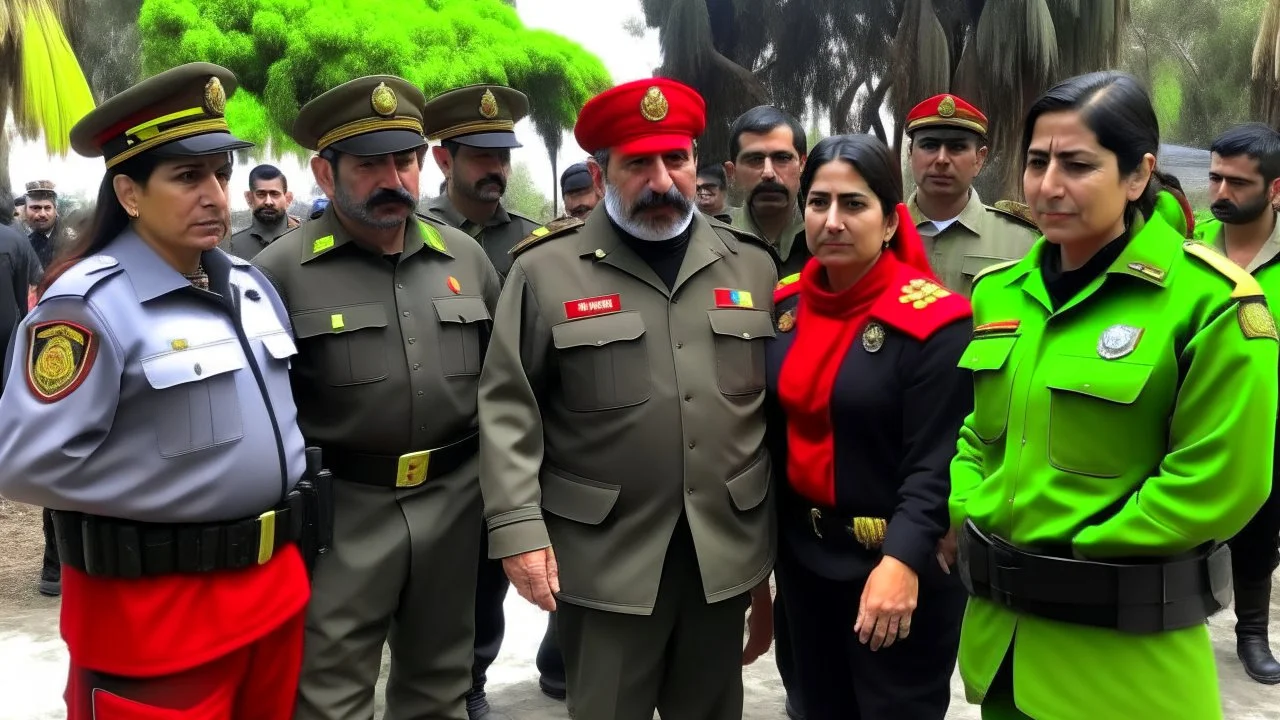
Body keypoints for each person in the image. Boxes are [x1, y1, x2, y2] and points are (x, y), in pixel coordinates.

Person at [950, 71, 1278, 720]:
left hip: (1126, 664)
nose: (1048, 186)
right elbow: (978, 433)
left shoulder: (1210, 302)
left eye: (1077, 164)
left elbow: (1220, 481)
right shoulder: (999, 292)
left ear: (1137, 175)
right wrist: (968, 506)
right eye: (1037, 162)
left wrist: (1069, 548)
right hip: (1003, 652)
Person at [0, 62, 311, 720]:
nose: (215, 196)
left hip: (271, 596)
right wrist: (188, 496)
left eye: (221, 175)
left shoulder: (250, 288)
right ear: (130, 193)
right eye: (187, 177)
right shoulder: (88, 308)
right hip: (157, 619)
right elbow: (23, 463)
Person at [478, 77, 778, 720]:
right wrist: (518, 530)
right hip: (604, 556)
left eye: (676, 159)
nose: (662, 179)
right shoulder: (545, 272)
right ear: (602, 170)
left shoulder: (750, 265)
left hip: (722, 549)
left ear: (696, 162)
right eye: (638, 163)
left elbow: (766, 411)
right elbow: (509, 408)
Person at [254, 74, 500, 720]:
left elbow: (505, 393)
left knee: (441, 685)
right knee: (330, 693)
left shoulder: (467, 260)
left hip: (453, 504)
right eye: (370, 165)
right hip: (342, 516)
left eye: (405, 160)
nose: (394, 179)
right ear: (326, 174)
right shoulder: (278, 274)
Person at [766, 134, 969, 719]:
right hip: (805, 562)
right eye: (818, 202)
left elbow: (935, 464)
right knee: (811, 705)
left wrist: (902, 560)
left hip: (895, 568)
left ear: (888, 222)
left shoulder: (936, 322)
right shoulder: (784, 310)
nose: (832, 220)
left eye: (853, 204)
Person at [1192, 122, 1280, 685]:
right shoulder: (1186, 245)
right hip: (1192, 416)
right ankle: (1179, 627)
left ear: (1276, 190)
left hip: (1269, 424)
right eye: (1215, 178)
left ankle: (1251, 632)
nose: (1221, 193)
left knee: (1260, 529)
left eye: (1238, 183)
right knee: (1184, 528)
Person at [903, 94, 1040, 296]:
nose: (941, 159)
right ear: (910, 153)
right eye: (929, 146)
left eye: (957, 147)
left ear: (979, 158)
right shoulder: (879, 236)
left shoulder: (1023, 240)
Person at [423, 84, 541, 280]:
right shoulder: (418, 234)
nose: (496, 169)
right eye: (481, 156)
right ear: (444, 162)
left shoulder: (532, 238)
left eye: (503, 156)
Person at [726, 105, 810, 277]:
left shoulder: (827, 238)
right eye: (755, 159)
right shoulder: (713, 243)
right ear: (732, 172)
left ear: (802, 164)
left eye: (782, 158)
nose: (768, 173)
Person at [222, 164, 300, 260]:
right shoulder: (231, 246)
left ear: (288, 198)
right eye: (261, 194)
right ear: (249, 198)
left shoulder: (305, 239)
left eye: (275, 194)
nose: (268, 202)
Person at [24, 180, 71, 270]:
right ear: (25, 210)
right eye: (35, 208)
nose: (42, 214)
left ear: (55, 210)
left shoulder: (70, 239)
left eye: (47, 208)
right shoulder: (26, 241)